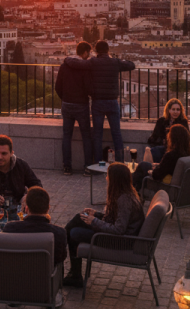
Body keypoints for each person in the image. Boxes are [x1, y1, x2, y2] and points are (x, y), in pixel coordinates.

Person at [62, 162, 145, 287]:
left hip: (119, 241)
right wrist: (97, 214)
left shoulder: (124, 200)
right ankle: (74, 272)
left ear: (115, 179)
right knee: (79, 218)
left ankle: (74, 272)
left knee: (74, 233)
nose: (106, 178)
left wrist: (94, 221)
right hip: (120, 236)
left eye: (108, 175)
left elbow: (118, 229)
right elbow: (116, 219)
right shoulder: (127, 195)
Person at [66, 40, 135, 164]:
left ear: (96, 51)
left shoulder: (93, 62)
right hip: (112, 102)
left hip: (98, 102)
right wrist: (118, 60)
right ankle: (120, 163)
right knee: (116, 133)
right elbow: (131, 65)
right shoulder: (115, 62)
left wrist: (67, 59)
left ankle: (98, 163)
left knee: (97, 134)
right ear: (108, 50)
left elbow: (77, 64)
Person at [3, 186, 68, 266]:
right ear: (48, 208)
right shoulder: (59, 233)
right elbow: (60, 258)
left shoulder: (10, 229)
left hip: (17, 275)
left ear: (26, 209)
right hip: (44, 277)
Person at [55, 41, 93, 176]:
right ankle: (88, 167)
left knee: (66, 136)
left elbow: (57, 86)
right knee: (86, 136)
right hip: (81, 105)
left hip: (67, 104)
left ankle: (67, 167)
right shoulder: (85, 67)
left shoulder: (64, 65)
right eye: (88, 53)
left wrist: (64, 98)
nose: (89, 56)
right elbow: (89, 87)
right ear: (84, 52)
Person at [133, 124, 190, 193]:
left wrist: (153, 170)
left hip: (167, 187)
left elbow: (156, 175)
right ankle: (134, 191)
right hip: (180, 187)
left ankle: (132, 191)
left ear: (173, 138)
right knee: (144, 166)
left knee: (142, 166)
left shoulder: (171, 155)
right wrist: (159, 165)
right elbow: (169, 167)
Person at [147, 98, 190, 163]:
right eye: (173, 109)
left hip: (177, 149)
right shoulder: (161, 121)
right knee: (155, 150)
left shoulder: (183, 122)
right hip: (163, 147)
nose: (175, 112)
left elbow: (187, 138)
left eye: (178, 110)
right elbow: (154, 137)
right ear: (169, 110)